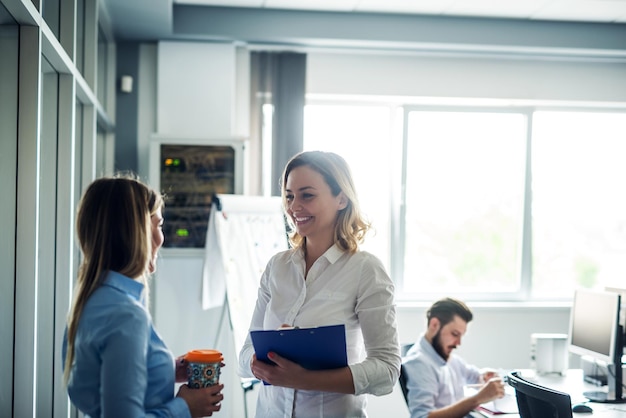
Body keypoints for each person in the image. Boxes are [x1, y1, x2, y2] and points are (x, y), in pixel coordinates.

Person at [237, 150, 401, 417]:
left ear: (341, 199)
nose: (293, 206)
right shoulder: (277, 268)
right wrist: (264, 359)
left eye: (307, 195)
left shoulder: (365, 270)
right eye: (289, 196)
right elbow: (244, 357)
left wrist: (303, 378)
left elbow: (386, 370)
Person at [62, 175, 224, 417]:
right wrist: (185, 408)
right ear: (136, 232)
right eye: (158, 225)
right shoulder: (126, 315)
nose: (162, 237)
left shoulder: (89, 301)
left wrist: (169, 369)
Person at [402, 297, 505, 418]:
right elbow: (423, 416)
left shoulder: (444, 355)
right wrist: (477, 399)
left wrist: (483, 376)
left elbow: (473, 375)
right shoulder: (419, 363)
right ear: (434, 324)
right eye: (455, 334)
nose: (458, 343)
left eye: (461, 336)